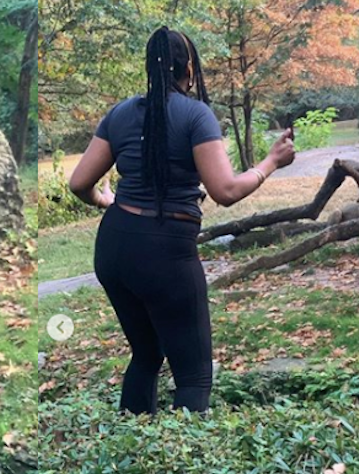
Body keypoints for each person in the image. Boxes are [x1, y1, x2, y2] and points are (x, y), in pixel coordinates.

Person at [68, 25, 296, 415]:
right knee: (193, 374)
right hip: (165, 253)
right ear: (189, 68)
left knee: (146, 354)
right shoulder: (195, 114)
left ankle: (131, 448)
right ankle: (181, 466)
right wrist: (271, 162)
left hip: (114, 248)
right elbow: (225, 191)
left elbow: (78, 183)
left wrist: (106, 200)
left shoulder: (120, 113)